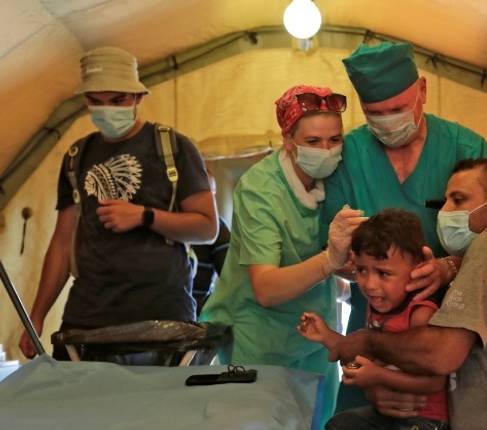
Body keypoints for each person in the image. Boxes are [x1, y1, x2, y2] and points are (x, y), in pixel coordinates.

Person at [329, 159, 487, 429]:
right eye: (444, 202)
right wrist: (385, 387)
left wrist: (367, 340)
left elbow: (442, 355)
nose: (445, 211)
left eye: (458, 201)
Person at [18, 46, 219, 361]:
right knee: (85, 410)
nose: (106, 110)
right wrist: (37, 315)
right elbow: (61, 242)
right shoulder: (76, 156)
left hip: (161, 319)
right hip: (87, 321)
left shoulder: (173, 147)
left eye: (117, 101)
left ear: (138, 97)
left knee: (154, 410)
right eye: (95, 102)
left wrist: (145, 216)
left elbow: (207, 228)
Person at [322, 40, 487, 411]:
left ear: (423, 92)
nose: (387, 121)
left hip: (448, 325)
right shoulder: (348, 156)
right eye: (374, 113)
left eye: (397, 108)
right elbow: (338, 254)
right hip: (373, 323)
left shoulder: (465, 148)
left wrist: (448, 268)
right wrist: (378, 382)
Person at [198, 85, 366, 426]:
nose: (327, 150)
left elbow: (340, 262)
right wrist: (330, 261)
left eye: (335, 140)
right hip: (259, 341)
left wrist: (354, 267)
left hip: (317, 336)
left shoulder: (335, 178)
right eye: (313, 142)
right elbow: (267, 289)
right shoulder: (260, 189)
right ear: (288, 140)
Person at [298, 208, 448, 430]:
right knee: (337, 425)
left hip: (424, 419)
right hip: (389, 415)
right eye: (361, 270)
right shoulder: (378, 304)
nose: (369, 285)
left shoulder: (420, 313)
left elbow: (435, 381)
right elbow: (364, 354)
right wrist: (327, 337)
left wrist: (377, 375)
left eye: (383, 273)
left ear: (417, 268)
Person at [189, 167, 231, 316]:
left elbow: (232, 278)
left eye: (212, 195)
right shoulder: (165, 220)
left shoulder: (217, 227)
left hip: (199, 316)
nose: (209, 203)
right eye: (202, 195)